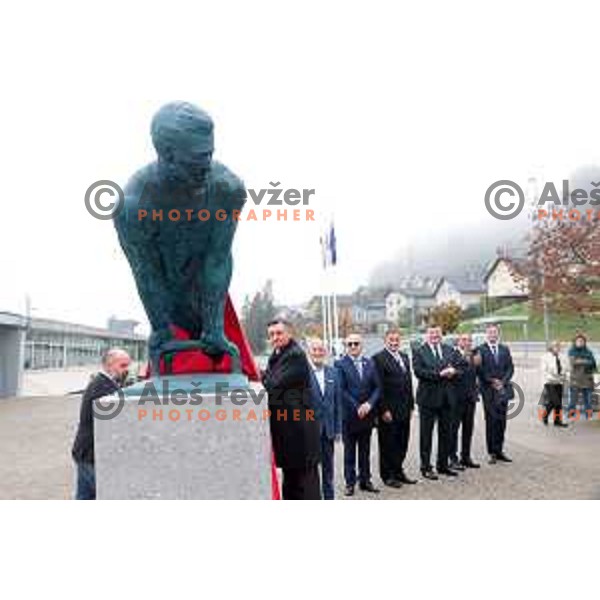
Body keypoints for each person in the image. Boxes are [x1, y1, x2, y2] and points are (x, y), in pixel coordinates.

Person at [262, 319, 321, 500]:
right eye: (271, 334)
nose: (275, 338)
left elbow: (273, 385)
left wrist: (262, 376)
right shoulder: (277, 355)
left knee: (306, 485)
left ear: (289, 334)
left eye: (279, 333)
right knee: (291, 483)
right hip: (289, 433)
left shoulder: (294, 355)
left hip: (300, 433)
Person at [72, 348, 132, 500]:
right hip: (92, 455)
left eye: (128, 366)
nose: (127, 371)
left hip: (85, 453)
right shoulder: (104, 388)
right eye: (123, 366)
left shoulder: (102, 382)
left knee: (85, 497)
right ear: (109, 365)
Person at [336, 333, 381, 496]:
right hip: (350, 417)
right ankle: (350, 483)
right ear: (346, 347)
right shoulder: (339, 364)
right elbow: (342, 390)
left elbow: (377, 387)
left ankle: (365, 480)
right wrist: (358, 407)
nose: (353, 347)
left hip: (367, 415)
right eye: (350, 344)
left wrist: (369, 404)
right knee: (349, 452)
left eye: (356, 344)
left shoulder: (370, 363)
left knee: (365, 451)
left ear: (362, 345)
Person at [413, 325, 460, 479]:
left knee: (446, 433)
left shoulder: (449, 349)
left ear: (442, 334)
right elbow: (419, 372)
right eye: (432, 333)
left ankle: (443, 465)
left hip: (447, 399)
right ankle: (426, 467)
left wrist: (454, 371)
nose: (435, 335)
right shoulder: (420, 351)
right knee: (426, 435)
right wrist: (440, 374)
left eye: (437, 333)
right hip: (427, 400)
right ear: (427, 335)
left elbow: (460, 366)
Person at [372, 328, 417, 488]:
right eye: (391, 340)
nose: (394, 342)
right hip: (389, 411)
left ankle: (398, 471)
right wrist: (383, 410)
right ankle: (387, 475)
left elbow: (409, 383)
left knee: (402, 442)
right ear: (385, 341)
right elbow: (378, 386)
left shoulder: (404, 357)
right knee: (387, 444)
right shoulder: (378, 359)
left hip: (405, 408)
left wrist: (412, 405)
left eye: (397, 340)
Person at [307, 338, 342, 500]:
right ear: (309, 352)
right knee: (311, 473)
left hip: (328, 431)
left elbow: (338, 403)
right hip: (310, 432)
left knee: (328, 471)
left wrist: (338, 429)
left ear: (325, 352)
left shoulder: (333, 373)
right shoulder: (303, 374)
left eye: (321, 350)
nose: (318, 353)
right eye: (315, 350)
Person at [475, 324, 514, 464]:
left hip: (503, 390)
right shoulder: (480, 350)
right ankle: (491, 452)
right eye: (490, 332)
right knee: (491, 421)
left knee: (501, 421)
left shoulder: (505, 349)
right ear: (487, 334)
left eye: (495, 332)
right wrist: (491, 380)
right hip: (488, 390)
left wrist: (502, 381)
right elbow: (479, 370)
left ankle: (499, 450)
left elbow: (510, 368)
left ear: (498, 334)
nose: (492, 334)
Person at [449, 333, 481, 469]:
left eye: (469, 340)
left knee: (468, 429)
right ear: (458, 342)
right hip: (456, 399)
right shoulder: (452, 354)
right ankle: (453, 458)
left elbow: (476, 375)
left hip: (470, 398)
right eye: (464, 340)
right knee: (453, 429)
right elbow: (455, 373)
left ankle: (465, 457)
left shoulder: (474, 356)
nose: (467, 342)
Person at [567, 333, 597, 421]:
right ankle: (571, 413)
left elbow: (592, 363)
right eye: (578, 341)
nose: (580, 342)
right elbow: (573, 362)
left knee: (588, 398)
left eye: (582, 341)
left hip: (587, 379)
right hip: (576, 379)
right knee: (573, 398)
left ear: (584, 342)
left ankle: (588, 414)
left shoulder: (588, 351)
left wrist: (581, 360)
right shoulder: (572, 351)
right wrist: (585, 361)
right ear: (575, 342)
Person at [541, 341, 567, 427]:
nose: (557, 348)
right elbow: (543, 370)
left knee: (558, 403)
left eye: (559, 347)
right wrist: (552, 377)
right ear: (551, 348)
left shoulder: (562, 357)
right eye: (555, 346)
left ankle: (557, 421)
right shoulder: (545, 357)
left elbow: (566, 367)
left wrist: (563, 375)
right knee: (555, 401)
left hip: (559, 381)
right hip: (549, 382)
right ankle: (545, 415)